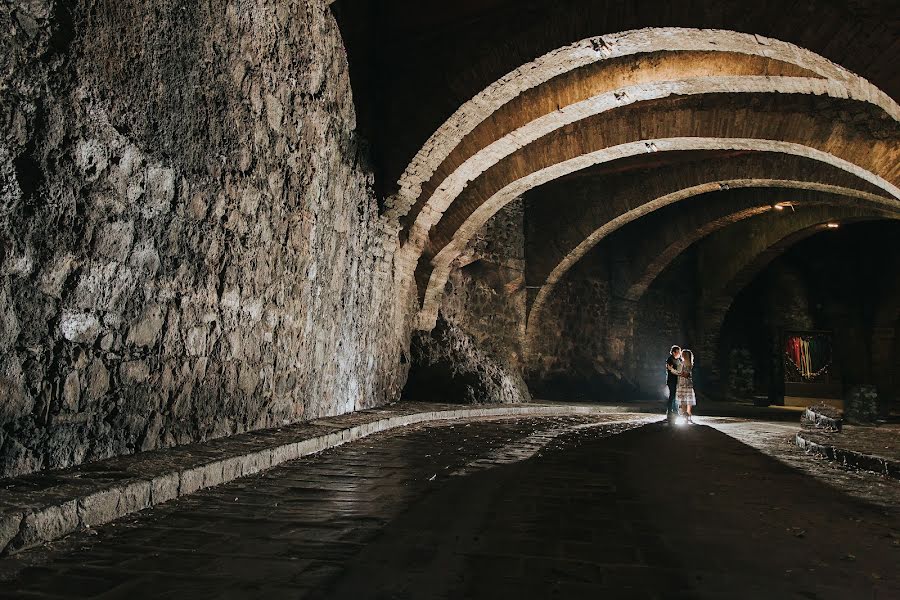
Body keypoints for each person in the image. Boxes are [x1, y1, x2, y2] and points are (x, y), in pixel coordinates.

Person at [677, 349, 697, 423]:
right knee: (684, 400)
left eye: (683, 354)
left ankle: (687, 415)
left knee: (686, 400)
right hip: (683, 383)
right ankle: (686, 415)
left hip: (685, 384)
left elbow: (686, 374)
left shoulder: (687, 364)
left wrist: (677, 372)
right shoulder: (685, 363)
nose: (682, 355)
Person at [665, 346, 683, 421]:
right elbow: (670, 370)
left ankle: (675, 411)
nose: (679, 353)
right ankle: (669, 411)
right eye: (678, 352)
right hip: (671, 381)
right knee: (672, 395)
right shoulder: (670, 359)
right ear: (673, 352)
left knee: (676, 396)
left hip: (677, 380)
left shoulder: (678, 360)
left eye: (679, 352)